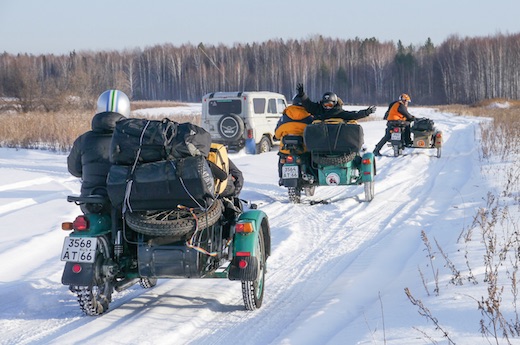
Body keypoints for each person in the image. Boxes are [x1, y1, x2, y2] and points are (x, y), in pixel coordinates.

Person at [67, 89, 130, 211]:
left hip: (91, 203)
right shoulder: (131, 139)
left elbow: (74, 170)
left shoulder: (84, 139)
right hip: (123, 203)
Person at [274, 94, 314, 179]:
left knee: (282, 158)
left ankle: (282, 177)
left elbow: (277, 133)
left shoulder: (284, 117)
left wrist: (276, 137)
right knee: (310, 157)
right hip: (303, 149)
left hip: (286, 150)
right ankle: (310, 176)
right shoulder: (309, 117)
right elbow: (312, 133)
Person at [296, 83, 376, 121]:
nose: (327, 107)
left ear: (334, 104)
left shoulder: (339, 112)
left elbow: (354, 115)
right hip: (319, 143)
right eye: (325, 105)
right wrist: (302, 95)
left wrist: (366, 112)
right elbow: (308, 104)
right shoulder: (318, 109)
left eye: (329, 105)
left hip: (336, 143)